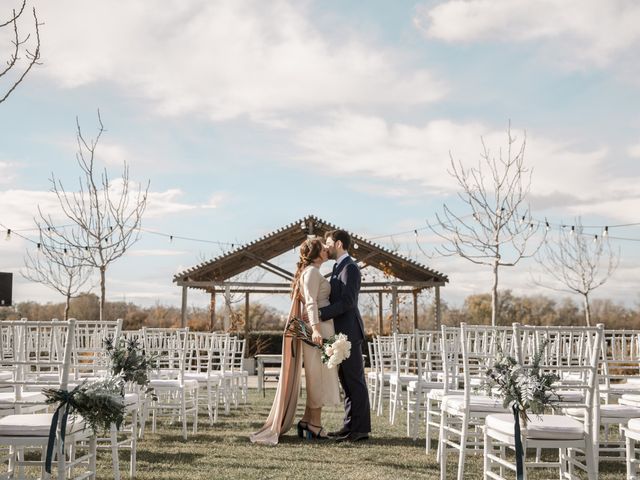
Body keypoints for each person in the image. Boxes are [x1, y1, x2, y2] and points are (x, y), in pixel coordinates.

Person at [250, 238, 340, 445]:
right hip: (317, 333)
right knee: (317, 377)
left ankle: (308, 421)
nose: (327, 250)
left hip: (323, 329)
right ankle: (314, 425)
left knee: (320, 375)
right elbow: (310, 302)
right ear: (316, 254)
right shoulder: (310, 273)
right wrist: (316, 330)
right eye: (323, 248)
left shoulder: (313, 272)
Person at [318, 229, 371, 442]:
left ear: (338, 244)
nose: (326, 246)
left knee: (355, 381)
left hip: (349, 333)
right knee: (347, 383)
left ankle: (361, 430)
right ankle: (350, 426)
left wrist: (321, 314)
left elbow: (348, 302)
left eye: (328, 242)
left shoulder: (350, 268)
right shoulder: (338, 267)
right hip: (340, 335)